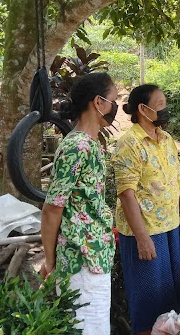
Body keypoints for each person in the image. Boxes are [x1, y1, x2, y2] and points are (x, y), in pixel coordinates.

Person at [112, 84, 180, 335]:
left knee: (171, 294)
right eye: (160, 105)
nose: (165, 109)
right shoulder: (129, 144)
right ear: (142, 109)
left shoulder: (166, 139)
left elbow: (178, 180)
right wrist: (142, 237)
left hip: (170, 227)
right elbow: (127, 194)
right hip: (145, 232)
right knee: (148, 300)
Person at [40, 73, 117, 335]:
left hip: (94, 256)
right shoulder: (77, 146)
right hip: (81, 259)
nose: (115, 107)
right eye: (113, 100)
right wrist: (50, 261)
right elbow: (52, 209)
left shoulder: (90, 144)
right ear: (98, 102)